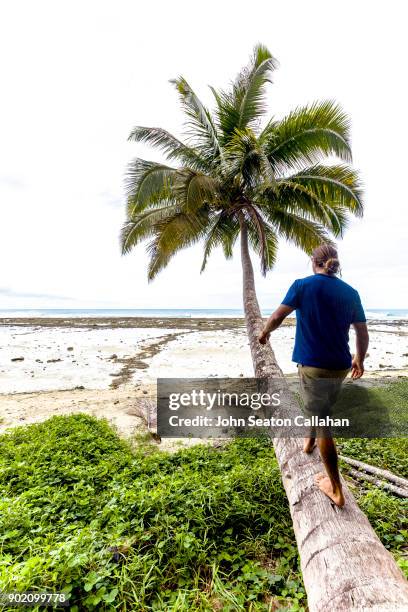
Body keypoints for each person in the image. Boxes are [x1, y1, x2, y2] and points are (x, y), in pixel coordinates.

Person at [258, 244, 369, 507]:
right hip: (340, 365)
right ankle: (308, 444)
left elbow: (277, 316)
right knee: (321, 410)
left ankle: (337, 488)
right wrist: (359, 359)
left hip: (313, 367)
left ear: (314, 262)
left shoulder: (302, 286)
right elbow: (362, 333)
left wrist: (264, 333)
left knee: (323, 423)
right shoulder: (350, 292)